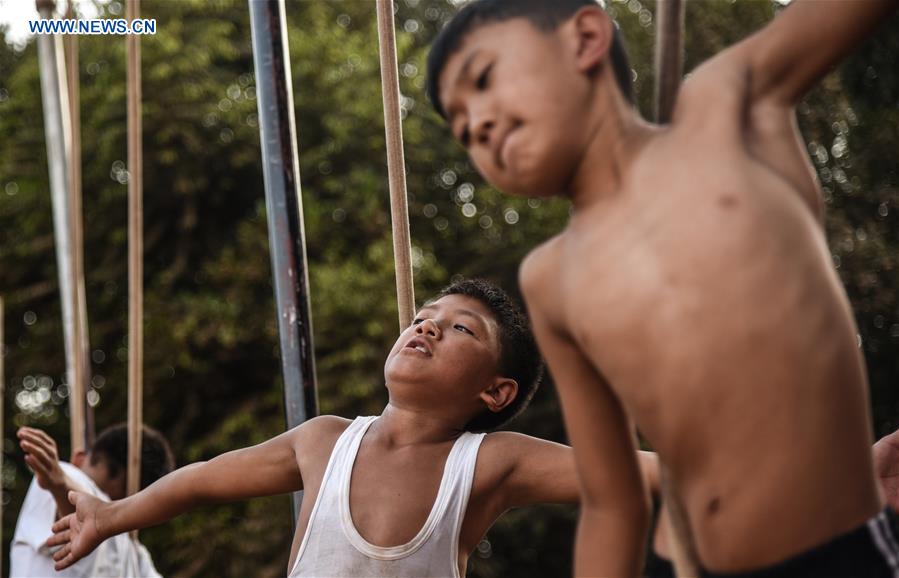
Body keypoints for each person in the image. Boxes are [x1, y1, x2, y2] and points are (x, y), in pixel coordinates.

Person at [426, 0, 899, 576]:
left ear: (585, 38)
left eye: (483, 78)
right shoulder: (553, 277)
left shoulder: (724, 109)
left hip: (828, 550)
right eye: (460, 124)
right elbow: (611, 502)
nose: (476, 122)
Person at [46, 278, 661, 577]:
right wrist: (111, 515)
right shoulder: (324, 441)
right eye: (424, 317)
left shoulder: (490, 461)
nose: (426, 327)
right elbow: (203, 481)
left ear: (495, 391)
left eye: (460, 329)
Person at [11, 423, 175, 578]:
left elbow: (85, 505)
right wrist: (61, 484)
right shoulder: (136, 556)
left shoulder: (67, 474)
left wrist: (61, 482)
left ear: (80, 458)